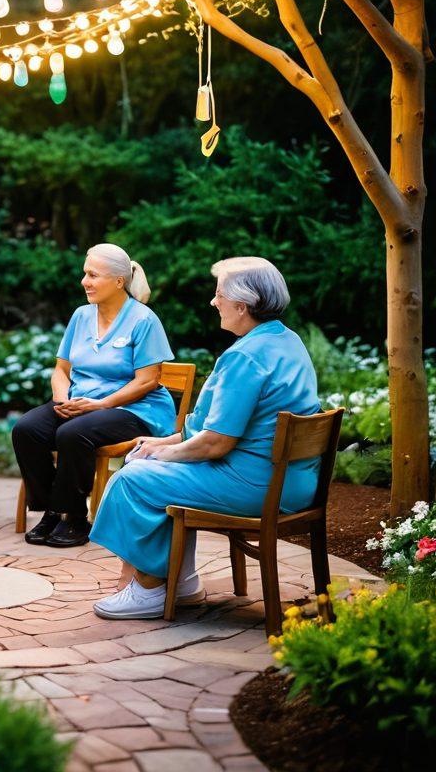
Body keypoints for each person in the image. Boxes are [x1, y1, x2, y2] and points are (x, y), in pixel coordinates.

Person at [90, 257, 321, 620]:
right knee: (149, 466)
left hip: (257, 484)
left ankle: (149, 589)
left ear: (242, 305)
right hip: (291, 480)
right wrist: (161, 444)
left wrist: (159, 457)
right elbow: (216, 429)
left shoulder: (245, 357)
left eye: (219, 295)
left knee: (133, 479)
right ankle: (182, 583)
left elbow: (216, 443)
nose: (214, 302)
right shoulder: (286, 340)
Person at [11, 244, 176, 548]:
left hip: (134, 410)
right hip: (81, 403)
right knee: (27, 430)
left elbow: (148, 381)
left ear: (118, 281)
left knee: (73, 433)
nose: (84, 281)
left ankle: (75, 518)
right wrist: (62, 399)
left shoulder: (143, 320)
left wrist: (101, 405)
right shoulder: (81, 315)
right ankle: (53, 510)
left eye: (93, 275)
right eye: (85, 274)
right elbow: (61, 370)